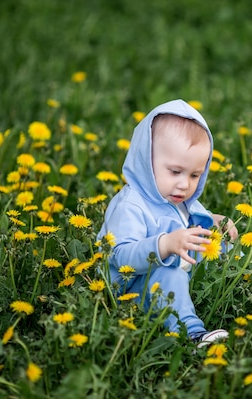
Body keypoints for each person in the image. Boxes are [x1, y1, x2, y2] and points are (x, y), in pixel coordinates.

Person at [98, 99, 238, 347]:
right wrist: (164, 245)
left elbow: (189, 223)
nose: (184, 184)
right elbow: (120, 257)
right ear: (146, 161)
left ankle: (246, 292)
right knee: (169, 274)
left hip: (172, 268)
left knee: (221, 249)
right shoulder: (131, 205)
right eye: (175, 172)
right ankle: (191, 333)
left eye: (195, 175)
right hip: (131, 288)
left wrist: (215, 221)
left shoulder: (177, 198)